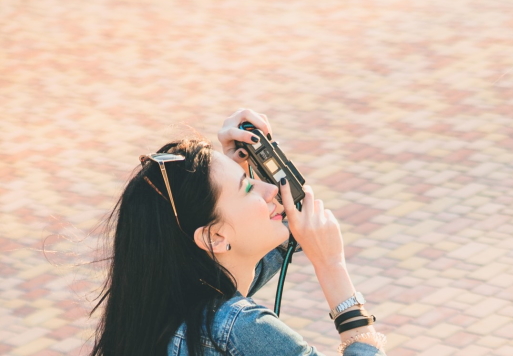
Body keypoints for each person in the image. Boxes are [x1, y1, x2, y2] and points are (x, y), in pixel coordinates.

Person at [89, 109, 387, 356]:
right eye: (248, 186)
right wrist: (332, 267)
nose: (271, 190)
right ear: (214, 238)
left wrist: (233, 174)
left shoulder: (162, 309)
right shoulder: (241, 327)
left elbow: (272, 238)